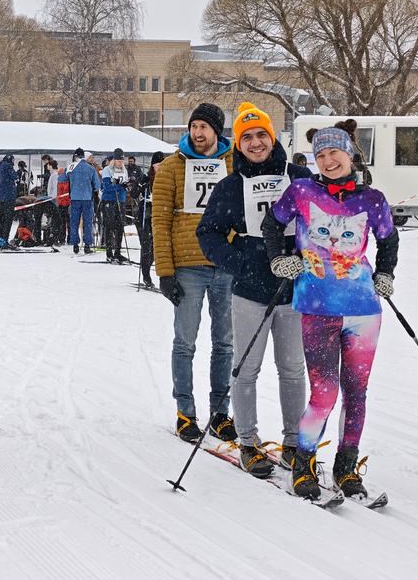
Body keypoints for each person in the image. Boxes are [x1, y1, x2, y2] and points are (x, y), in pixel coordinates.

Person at [262, 120, 399, 501]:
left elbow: (389, 240)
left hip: (363, 311)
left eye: (333, 153)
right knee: (324, 393)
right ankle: (304, 465)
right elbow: (271, 226)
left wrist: (385, 274)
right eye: (320, 155)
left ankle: (346, 466)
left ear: (350, 154)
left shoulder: (372, 199)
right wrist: (278, 260)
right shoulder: (301, 190)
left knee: (357, 392)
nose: (327, 161)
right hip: (318, 306)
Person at [197, 103, 311, 477]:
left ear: (272, 136)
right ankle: (248, 442)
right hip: (249, 290)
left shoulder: (298, 177)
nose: (256, 142)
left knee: (293, 369)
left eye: (262, 134)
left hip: (295, 289)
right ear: (238, 143)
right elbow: (208, 233)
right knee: (246, 369)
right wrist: (240, 263)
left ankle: (294, 443)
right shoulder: (230, 185)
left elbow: (323, 220)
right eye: (248, 137)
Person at [152, 103, 236, 443]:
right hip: (188, 267)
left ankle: (220, 412)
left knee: (225, 343)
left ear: (217, 130)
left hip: (227, 266)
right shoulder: (171, 168)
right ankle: (185, 412)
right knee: (185, 342)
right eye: (194, 126)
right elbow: (159, 221)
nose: (198, 133)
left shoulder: (234, 164)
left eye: (204, 126)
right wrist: (165, 271)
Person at [60, 147, 101, 254]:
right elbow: (97, 186)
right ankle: (87, 245)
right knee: (88, 222)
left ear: (75, 156)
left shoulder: (71, 167)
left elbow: (61, 179)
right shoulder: (91, 168)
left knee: (74, 222)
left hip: (74, 198)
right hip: (87, 198)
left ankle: (75, 244)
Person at [133, 151, 163, 287]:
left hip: (160, 216)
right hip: (145, 216)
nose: (160, 167)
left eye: (162, 164)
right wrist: (140, 186)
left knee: (157, 248)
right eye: (158, 165)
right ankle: (146, 276)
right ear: (152, 166)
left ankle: (149, 272)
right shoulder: (146, 177)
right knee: (147, 247)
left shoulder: (166, 177)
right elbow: (134, 193)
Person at [100, 148, 128, 263]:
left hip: (120, 201)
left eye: (121, 160)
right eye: (118, 160)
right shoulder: (107, 170)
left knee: (120, 227)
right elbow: (106, 186)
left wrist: (126, 186)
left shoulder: (124, 170)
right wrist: (119, 187)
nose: (120, 162)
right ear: (114, 160)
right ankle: (109, 252)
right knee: (109, 226)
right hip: (109, 201)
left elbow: (124, 185)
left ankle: (118, 252)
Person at [0, 154, 18, 249]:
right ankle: (5, 241)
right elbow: (15, 177)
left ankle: (2, 240)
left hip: (0, 197)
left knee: (2, 219)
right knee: (8, 220)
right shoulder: (8, 167)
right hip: (9, 197)